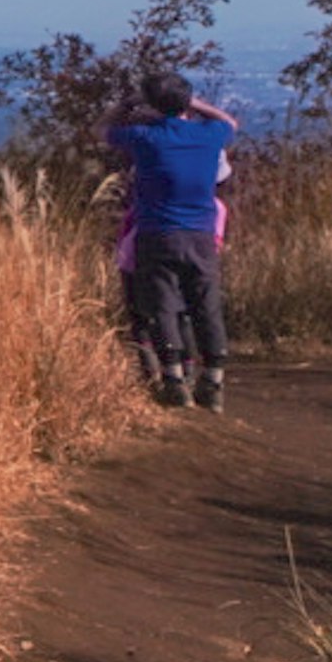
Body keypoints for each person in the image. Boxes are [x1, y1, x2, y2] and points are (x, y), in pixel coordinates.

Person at [107, 69, 237, 410]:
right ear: (186, 101)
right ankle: (214, 379)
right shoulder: (210, 135)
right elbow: (229, 122)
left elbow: (104, 129)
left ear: (153, 103)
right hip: (201, 234)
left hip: (158, 232)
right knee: (205, 303)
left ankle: (174, 378)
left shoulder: (146, 137)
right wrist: (194, 102)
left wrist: (129, 105)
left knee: (163, 305)